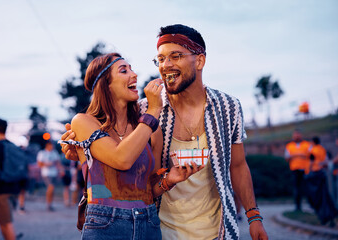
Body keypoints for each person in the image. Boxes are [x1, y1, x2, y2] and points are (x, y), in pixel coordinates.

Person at [61, 24, 268, 240]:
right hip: (161, 230)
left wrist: (253, 216)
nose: (165, 65)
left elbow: (238, 165)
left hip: (217, 231)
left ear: (199, 61)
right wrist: (81, 149)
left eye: (175, 56)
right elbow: (118, 155)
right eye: (160, 59)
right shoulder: (145, 111)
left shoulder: (228, 107)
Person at [60, 52, 202, 239]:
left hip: (148, 222)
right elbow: (122, 159)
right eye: (124, 70)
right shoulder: (83, 122)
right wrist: (153, 110)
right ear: (106, 84)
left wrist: (170, 179)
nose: (134, 75)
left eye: (132, 69)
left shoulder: (151, 130)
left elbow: (149, 188)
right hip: (105, 224)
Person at [285, 129, 311, 212]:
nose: (296, 137)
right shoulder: (289, 146)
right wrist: (299, 155)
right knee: (297, 189)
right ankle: (298, 206)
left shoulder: (307, 144)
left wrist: (295, 155)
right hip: (295, 170)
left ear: (301, 135)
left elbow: (311, 156)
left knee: (308, 187)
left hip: (306, 169)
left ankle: (311, 205)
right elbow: (287, 157)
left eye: (298, 135)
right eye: (295, 135)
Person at [36, 141, 61, 211]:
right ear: (47, 145)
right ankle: (48, 203)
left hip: (54, 173)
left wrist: (61, 170)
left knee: (52, 189)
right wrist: (46, 164)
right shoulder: (42, 153)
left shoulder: (54, 153)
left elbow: (58, 162)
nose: (52, 147)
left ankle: (50, 204)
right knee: (51, 187)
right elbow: (39, 164)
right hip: (46, 173)